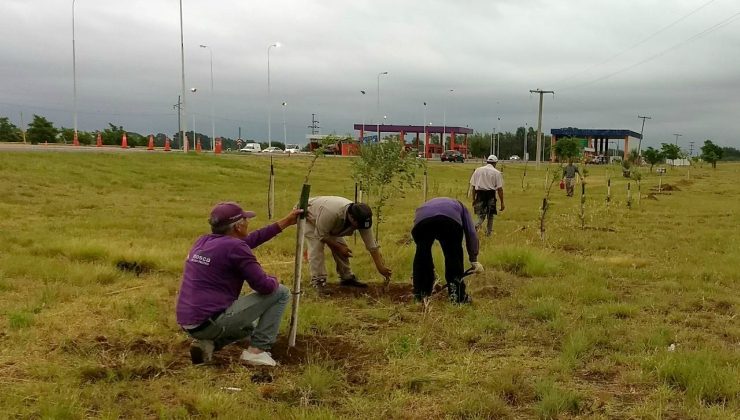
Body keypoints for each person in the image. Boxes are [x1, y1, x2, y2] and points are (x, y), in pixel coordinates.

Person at [176, 202, 302, 367]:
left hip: (190, 322)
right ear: (238, 227)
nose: (248, 222)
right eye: (245, 220)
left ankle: (207, 345)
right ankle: (257, 352)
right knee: (281, 292)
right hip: (210, 321)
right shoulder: (235, 247)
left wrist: (286, 221)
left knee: (248, 328)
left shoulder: (204, 241)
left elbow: (251, 240)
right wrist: (274, 279)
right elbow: (264, 287)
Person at [305, 196, 392, 288]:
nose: (360, 228)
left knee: (342, 246)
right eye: (359, 225)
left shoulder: (362, 218)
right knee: (316, 247)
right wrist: (339, 248)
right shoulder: (331, 213)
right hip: (310, 216)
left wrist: (380, 267)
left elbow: (371, 245)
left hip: (330, 223)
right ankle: (318, 281)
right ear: (352, 218)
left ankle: (347, 278)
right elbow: (321, 235)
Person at [412, 198, 484, 303]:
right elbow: (471, 232)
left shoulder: (424, 206)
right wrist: (474, 259)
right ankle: (457, 297)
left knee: (422, 255)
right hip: (449, 221)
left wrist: (425, 266)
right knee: (453, 256)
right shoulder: (461, 207)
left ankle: (420, 294)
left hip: (422, 221)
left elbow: (416, 231)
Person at [469, 154, 505, 236]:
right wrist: (502, 202)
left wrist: (473, 199)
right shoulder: (497, 173)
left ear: (487, 161)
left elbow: (473, 187)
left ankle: (475, 227)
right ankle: (488, 233)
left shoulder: (478, 170)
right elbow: (500, 189)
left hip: (479, 194)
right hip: (490, 195)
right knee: (490, 215)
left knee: (481, 215)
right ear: (495, 163)